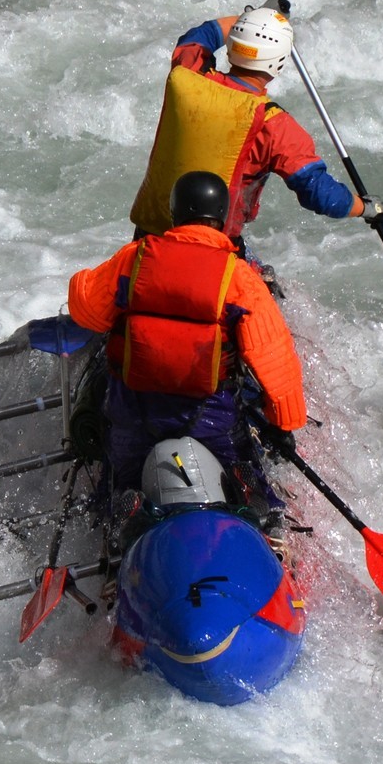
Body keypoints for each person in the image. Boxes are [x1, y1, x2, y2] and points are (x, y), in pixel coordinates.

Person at [67, 170, 306, 523]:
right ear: (222, 219)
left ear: (175, 214)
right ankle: (262, 511)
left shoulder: (134, 258)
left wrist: (79, 281)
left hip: (134, 412)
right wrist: (284, 423)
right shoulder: (238, 277)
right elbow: (274, 356)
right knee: (244, 463)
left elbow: (88, 311)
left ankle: (120, 509)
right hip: (208, 416)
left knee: (117, 477)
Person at [128, 0, 383, 248]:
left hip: (148, 241)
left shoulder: (187, 74)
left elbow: (201, 34)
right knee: (283, 291)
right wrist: (367, 208)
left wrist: (254, 18)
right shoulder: (274, 125)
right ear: (280, 62)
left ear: (230, 47)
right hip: (213, 251)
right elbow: (321, 195)